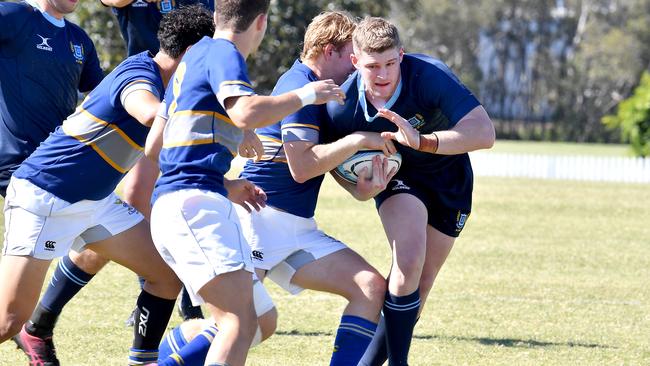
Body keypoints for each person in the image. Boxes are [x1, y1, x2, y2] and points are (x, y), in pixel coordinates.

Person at [2, 5, 216, 366]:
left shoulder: (168, 84)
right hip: (46, 194)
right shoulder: (139, 72)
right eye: (215, 57)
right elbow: (148, 112)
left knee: (166, 275)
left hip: (96, 202)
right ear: (194, 54)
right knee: (8, 321)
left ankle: (142, 360)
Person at [145, 0, 347, 364]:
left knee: (261, 320)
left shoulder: (193, 57)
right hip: (193, 207)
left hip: (181, 204)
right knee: (237, 323)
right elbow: (244, 110)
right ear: (261, 22)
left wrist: (223, 183)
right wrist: (309, 94)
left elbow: (154, 146)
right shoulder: (225, 52)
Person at [324, 17, 495, 366]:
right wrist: (360, 190)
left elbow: (483, 132)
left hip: (450, 179)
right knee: (408, 262)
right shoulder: (342, 107)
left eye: (390, 63)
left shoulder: (428, 74)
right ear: (355, 62)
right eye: (372, 66)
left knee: (422, 282)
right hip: (400, 180)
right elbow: (331, 163)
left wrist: (424, 141)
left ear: (401, 55)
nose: (383, 74)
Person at [237, 11, 395, 366]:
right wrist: (357, 140)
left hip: (297, 228)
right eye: (350, 57)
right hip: (258, 222)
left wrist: (362, 189)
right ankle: (167, 359)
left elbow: (321, 161)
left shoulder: (325, 93)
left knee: (369, 287)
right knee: (242, 327)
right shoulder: (300, 85)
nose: (356, 68)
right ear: (328, 52)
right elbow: (302, 166)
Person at [96, 0, 217, 324]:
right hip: (143, 99)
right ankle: (152, 290)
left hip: (191, 103)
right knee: (135, 199)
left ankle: (191, 296)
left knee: (190, 198)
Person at [0, 0, 103, 198]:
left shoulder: (79, 39)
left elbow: (100, 97)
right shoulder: (14, 15)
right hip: (20, 164)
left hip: (61, 158)